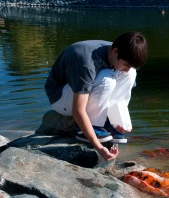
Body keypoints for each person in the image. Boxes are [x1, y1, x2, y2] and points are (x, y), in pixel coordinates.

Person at [44, 31, 148, 161]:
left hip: (80, 92)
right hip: (60, 97)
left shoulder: (120, 51)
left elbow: (125, 75)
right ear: (115, 52)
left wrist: (118, 120)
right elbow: (78, 110)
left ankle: (108, 122)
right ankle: (90, 128)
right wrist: (98, 147)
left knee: (131, 74)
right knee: (107, 79)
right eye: (126, 65)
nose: (126, 69)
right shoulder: (86, 62)